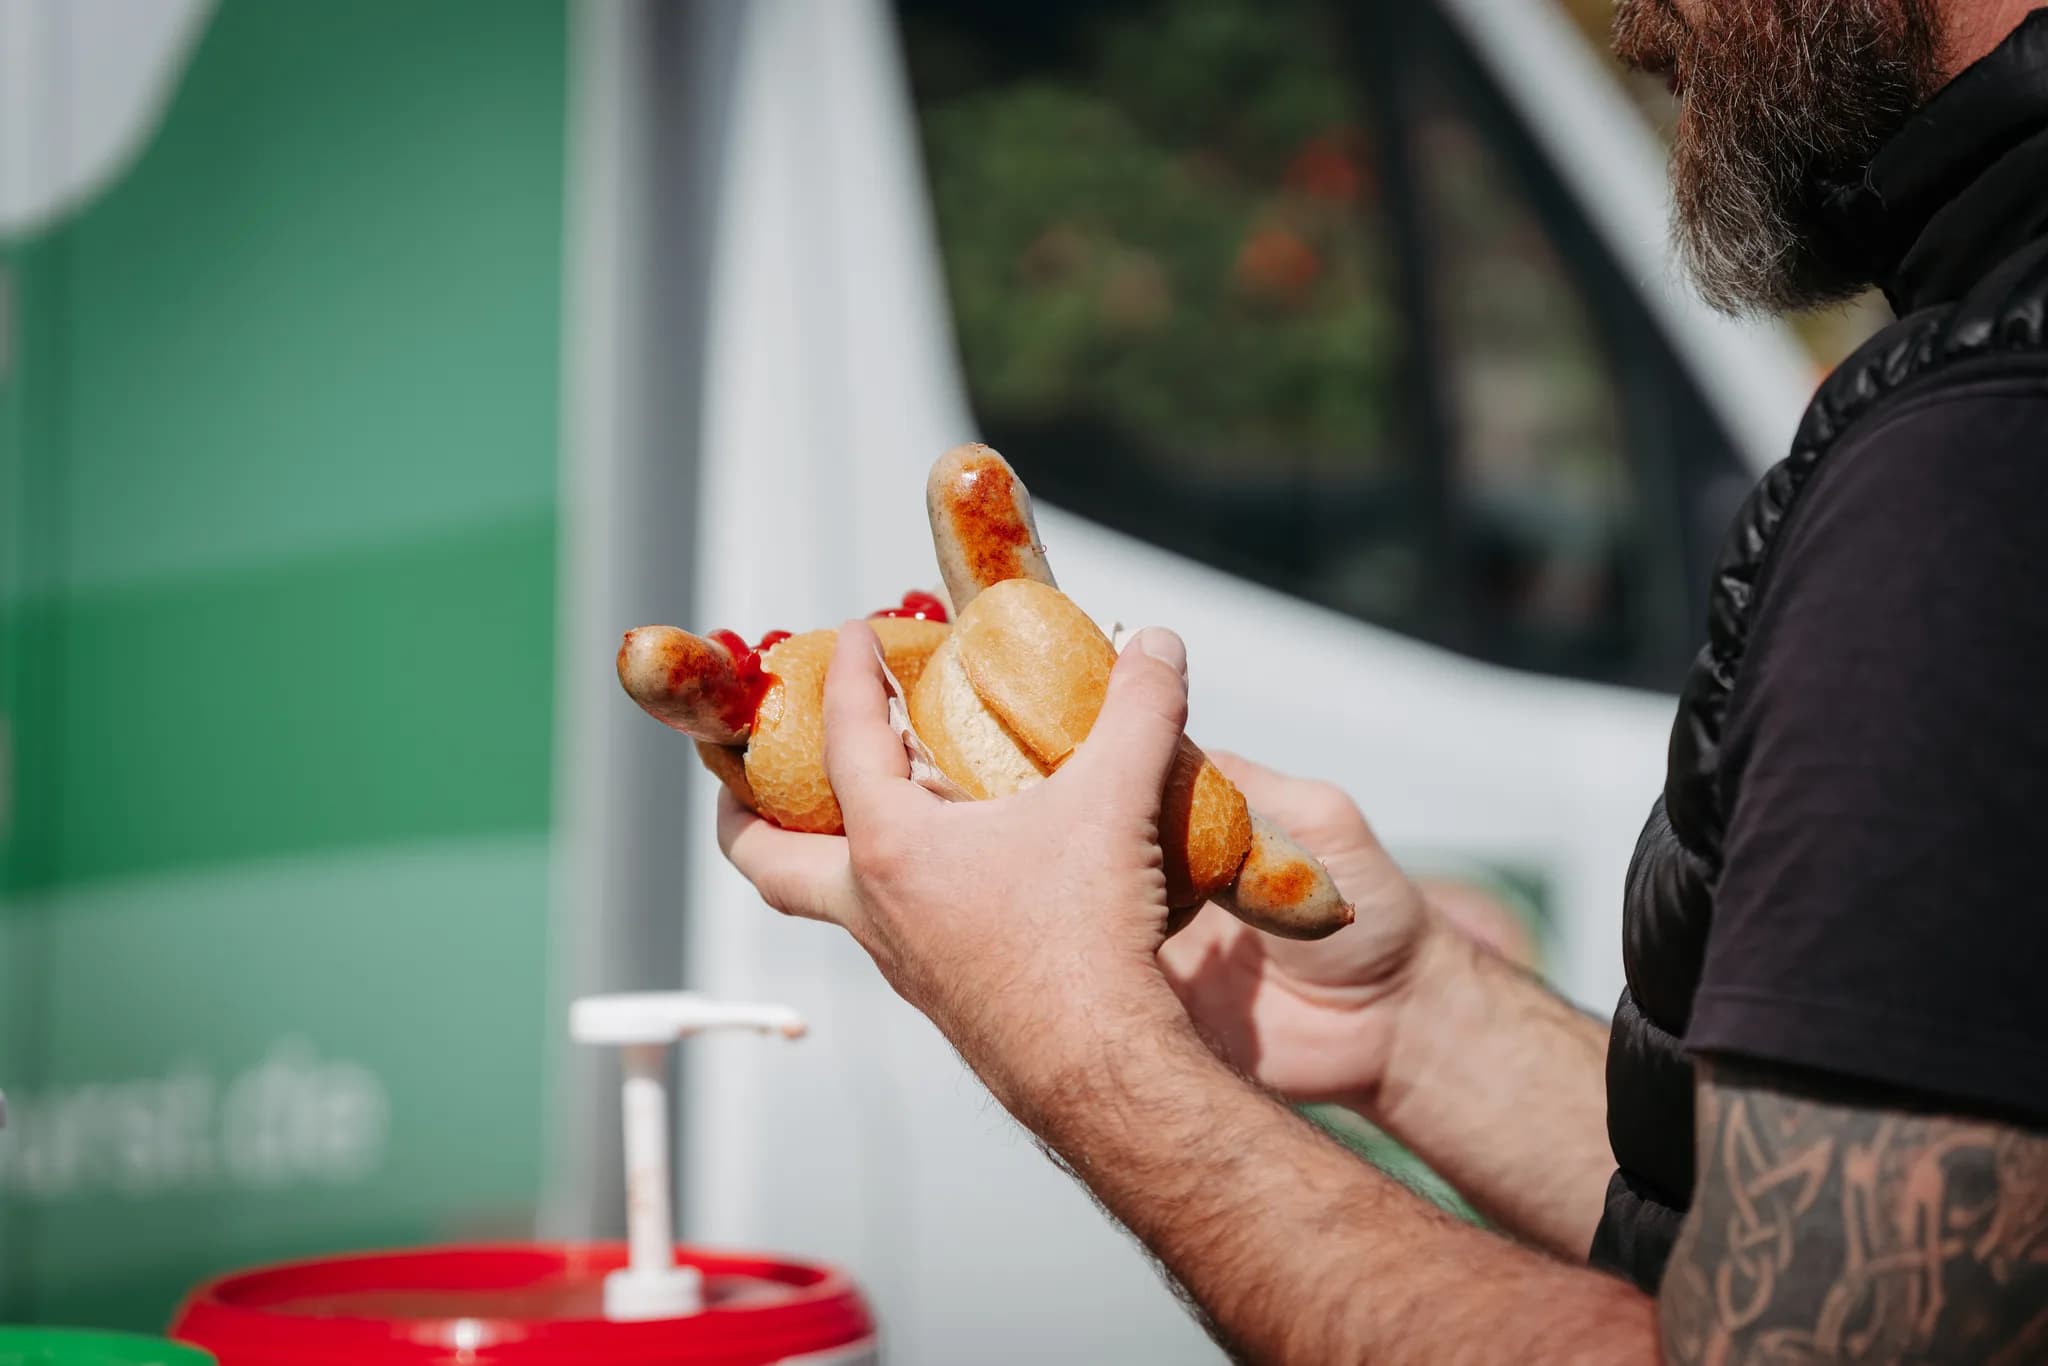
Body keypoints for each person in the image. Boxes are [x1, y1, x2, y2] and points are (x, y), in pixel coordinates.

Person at [719, 0, 2048, 1357]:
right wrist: (1411, 1015)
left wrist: (1081, 1044)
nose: (1642, 16)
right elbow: (1806, 1218)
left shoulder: (1976, 465)